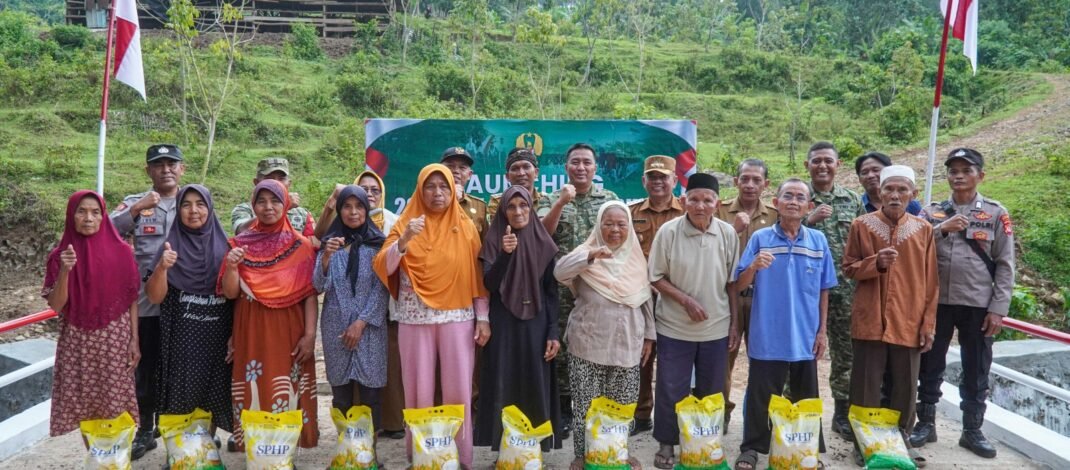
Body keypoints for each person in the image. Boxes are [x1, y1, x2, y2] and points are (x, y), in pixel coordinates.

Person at [372, 164, 490, 468]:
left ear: (453, 191)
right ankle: (421, 454)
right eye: (430, 186)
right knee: (417, 389)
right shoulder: (406, 222)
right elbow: (383, 265)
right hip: (414, 318)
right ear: (420, 189)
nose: (437, 193)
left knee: (459, 389)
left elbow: (477, 277)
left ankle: (461, 456)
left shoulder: (465, 226)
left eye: (444, 187)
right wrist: (404, 241)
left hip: (458, 317)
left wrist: (483, 318)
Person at [911, 148, 1014, 458]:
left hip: (977, 303)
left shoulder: (996, 213)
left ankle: (972, 430)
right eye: (953, 170)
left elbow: (1006, 264)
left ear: (980, 175)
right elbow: (913, 246)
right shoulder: (931, 213)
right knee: (930, 363)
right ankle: (925, 424)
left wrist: (999, 308)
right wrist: (941, 229)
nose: (958, 175)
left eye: (966, 170)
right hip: (936, 302)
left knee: (976, 366)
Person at [733, 178, 835, 470]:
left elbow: (824, 288)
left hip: (805, 334)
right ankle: (752, 447)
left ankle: (807, 450)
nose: (793, 201)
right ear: (775, 203)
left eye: (800, 197)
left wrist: (822, 331)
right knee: (760, 394)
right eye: (787, 196)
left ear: (809, 206)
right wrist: (753, 267)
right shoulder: (760, 238)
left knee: (806, 395)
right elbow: (739, 284)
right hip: (768, 333)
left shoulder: (818, 241)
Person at [843, 165, 938, 467]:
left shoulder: (923, 230)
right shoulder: (862, 224)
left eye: (902, 190)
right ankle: (864, 442)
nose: (895, 195)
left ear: (913, 193)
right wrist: (876, 262)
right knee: (865, 384)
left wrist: (928, 323)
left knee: (906, 385)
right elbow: (848, 269)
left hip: (909, 319)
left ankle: (901, 440)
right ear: (879, 193)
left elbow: (931, 281)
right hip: (869, 318)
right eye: (889, 189)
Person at [647, 173, 740, 469]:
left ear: (717, 203)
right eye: (695, 199)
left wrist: (735, 324)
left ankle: (703, 443)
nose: (700, 206)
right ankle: (666, 442)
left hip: (716, 327)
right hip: (674, 326)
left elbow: (732, 284)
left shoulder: (727, 233)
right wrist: (685, 300)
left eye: (707, 200)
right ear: (684, 201)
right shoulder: (669, 232)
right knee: (671, 387)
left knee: (712, 389)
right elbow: (656, 277)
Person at [219, 179, 320, 451]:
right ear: (253, 206)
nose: (268, 207)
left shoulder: (302, 247)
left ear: (286, 203)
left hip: (290, 328)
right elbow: (230, 293)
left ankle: (284, 453)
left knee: (286, 385)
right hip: (251, 327)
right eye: (261, 201)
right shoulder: (238, 244)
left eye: (275, 200)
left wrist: (310, 336)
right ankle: (259, 450)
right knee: (256, 386)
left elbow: (310, 294)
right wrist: (231, 267)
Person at [554, 200, 654, 470]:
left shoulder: (636, 257)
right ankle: (581, 454)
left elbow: (645, 299)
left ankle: (618, 451)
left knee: (622, 403)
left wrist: (649, 337)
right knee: (586, 404)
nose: (615, 229)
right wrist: (590, 256)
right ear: (599, 225)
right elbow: (559, 271)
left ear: (629, 227)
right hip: (588, 341)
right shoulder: (587, 252)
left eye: (621, 224)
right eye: (608, 223)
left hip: (627, 342)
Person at [537, 142, 620, 437]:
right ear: (566, 167)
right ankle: (562, 413)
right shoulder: (550, 197)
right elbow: (542, 234)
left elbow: (619, 237)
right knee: (560, 346)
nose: (581, 167)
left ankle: (593, 409)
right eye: (575, 162)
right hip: (560, 287)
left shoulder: (608, 199)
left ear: (595, 168)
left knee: (594, 344)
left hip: (597, 288)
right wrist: (561, 203)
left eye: (586, 162)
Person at [45, 191, 141, 440]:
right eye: (81, 211)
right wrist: (66, 271)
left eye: (95, 212)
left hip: (114, 340)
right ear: (71, 216)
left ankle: (117, 461)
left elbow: (131, 299)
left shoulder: (122, 252)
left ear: (103, 217)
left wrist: (134, 340)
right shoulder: (59, 257)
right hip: (77, 342)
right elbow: (57, 305)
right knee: (87, 407)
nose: (88, 218)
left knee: (116, 405)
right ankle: (98, 460)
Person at [474, 186, 563, 456]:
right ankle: (506, 452)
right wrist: (505, 254)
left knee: (534, 382)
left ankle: (531, 451)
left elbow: (550, 292)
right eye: (511, 207)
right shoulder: (494, 239)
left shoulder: (543, 242)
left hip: (536, 325)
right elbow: (489, 283)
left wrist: (552, 332)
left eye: (523, 206)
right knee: (504, 381)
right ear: (503, 212)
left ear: (531, 208)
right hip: (503, 325)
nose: (518, 212)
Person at [110, 143, 184, 458]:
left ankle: (179, 429)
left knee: (179, 368)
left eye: (172, 164)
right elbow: (106, 230)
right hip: (145, 303)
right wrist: (137, 208)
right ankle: (145, 430)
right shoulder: (133, 204)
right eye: (158, 164)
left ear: (182, 168)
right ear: (148, 170)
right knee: (145, 369)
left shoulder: (193, 200)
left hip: (184, 302)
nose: (166, 169)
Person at [145, 185, 233, 435]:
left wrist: (235, 336)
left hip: (218, 338)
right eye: (186, 205)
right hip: (181, 338)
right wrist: (162, 268)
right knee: (180, 393)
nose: (193, 211)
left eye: (200, 204)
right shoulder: (169, 248)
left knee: (213, 392)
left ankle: (205, 449)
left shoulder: (226, 247)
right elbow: (154, 296)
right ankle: (182, 453)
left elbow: (235, 297)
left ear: (210, 208)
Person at [802, 141, 866, 441]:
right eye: (816, 161)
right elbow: (780, 229)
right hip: (804, 293)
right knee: (801, 352)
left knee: (846, 355)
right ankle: (795, 409)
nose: (822, 166)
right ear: (807, 166)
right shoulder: (798, 197)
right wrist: (807, 220)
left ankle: (841, 413)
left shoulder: (852, 200)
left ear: (838, 165)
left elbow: (865, 241)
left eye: (828, 161)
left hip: (845, 290)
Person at [314, 185, 390, 438]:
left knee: (370, 396)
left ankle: (369, 454)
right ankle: (345, 452)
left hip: (369, 330)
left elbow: (382, 290)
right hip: (336, 328)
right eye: (347, 206)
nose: (353, 212)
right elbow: (318, 286)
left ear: (367, 210)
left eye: (359, 206)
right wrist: (325, 258)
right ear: (339, 210)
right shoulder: (330, 245)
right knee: (342, 395)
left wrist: (361, 323)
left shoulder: (378, 244)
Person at [715, 158, 777, 426]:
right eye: (745, 179)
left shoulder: (776, 214)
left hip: (764, 299)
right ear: (735, 181)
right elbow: (707, 246)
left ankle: (759, 417)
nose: (750, 185)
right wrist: (732, 229)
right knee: (721, 362)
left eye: (756, 180)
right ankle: (720, 415)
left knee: (764, 361)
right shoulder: (719, 210)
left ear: (766, 184)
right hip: (726, 297)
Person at [627, 155, 685, 435]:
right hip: (641, 298)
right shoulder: (631, 212)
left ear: (675, 180)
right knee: (642, 357)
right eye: (653, 176)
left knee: (674, 360)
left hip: (677, 297)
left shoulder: (688, 211)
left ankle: (670, 416)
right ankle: (640, 414)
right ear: (643, 181)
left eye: (664, 177)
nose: (658, 182)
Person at [231, 157, 318, 247]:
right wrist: (284, 207)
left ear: (289, 183)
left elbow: (313, 245)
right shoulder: (245, 209)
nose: (276, 183)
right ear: (256, 182)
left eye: (281, 179)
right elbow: (241, 232)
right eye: (269, 178)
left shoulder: (301, 213)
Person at [487, 147, 543, 224]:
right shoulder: (498, 202)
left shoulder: (546, 200)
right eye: (515, 169)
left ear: (536, 173)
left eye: (526, 167)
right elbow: (499, 231)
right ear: (507, 176)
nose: (521, 173)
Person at [855, 151, 923, 215]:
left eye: (876, 170)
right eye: (864, 173)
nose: (870, 175)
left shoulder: (911, 204)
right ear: (859, 179)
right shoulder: (855, 205)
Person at [442, 146, 489, 237]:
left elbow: (486, 245)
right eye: (450, 166)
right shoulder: (427, 202)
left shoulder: (480, 206)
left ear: (469, 175)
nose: (456, 171)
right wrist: (450, 200)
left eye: (462, 168)